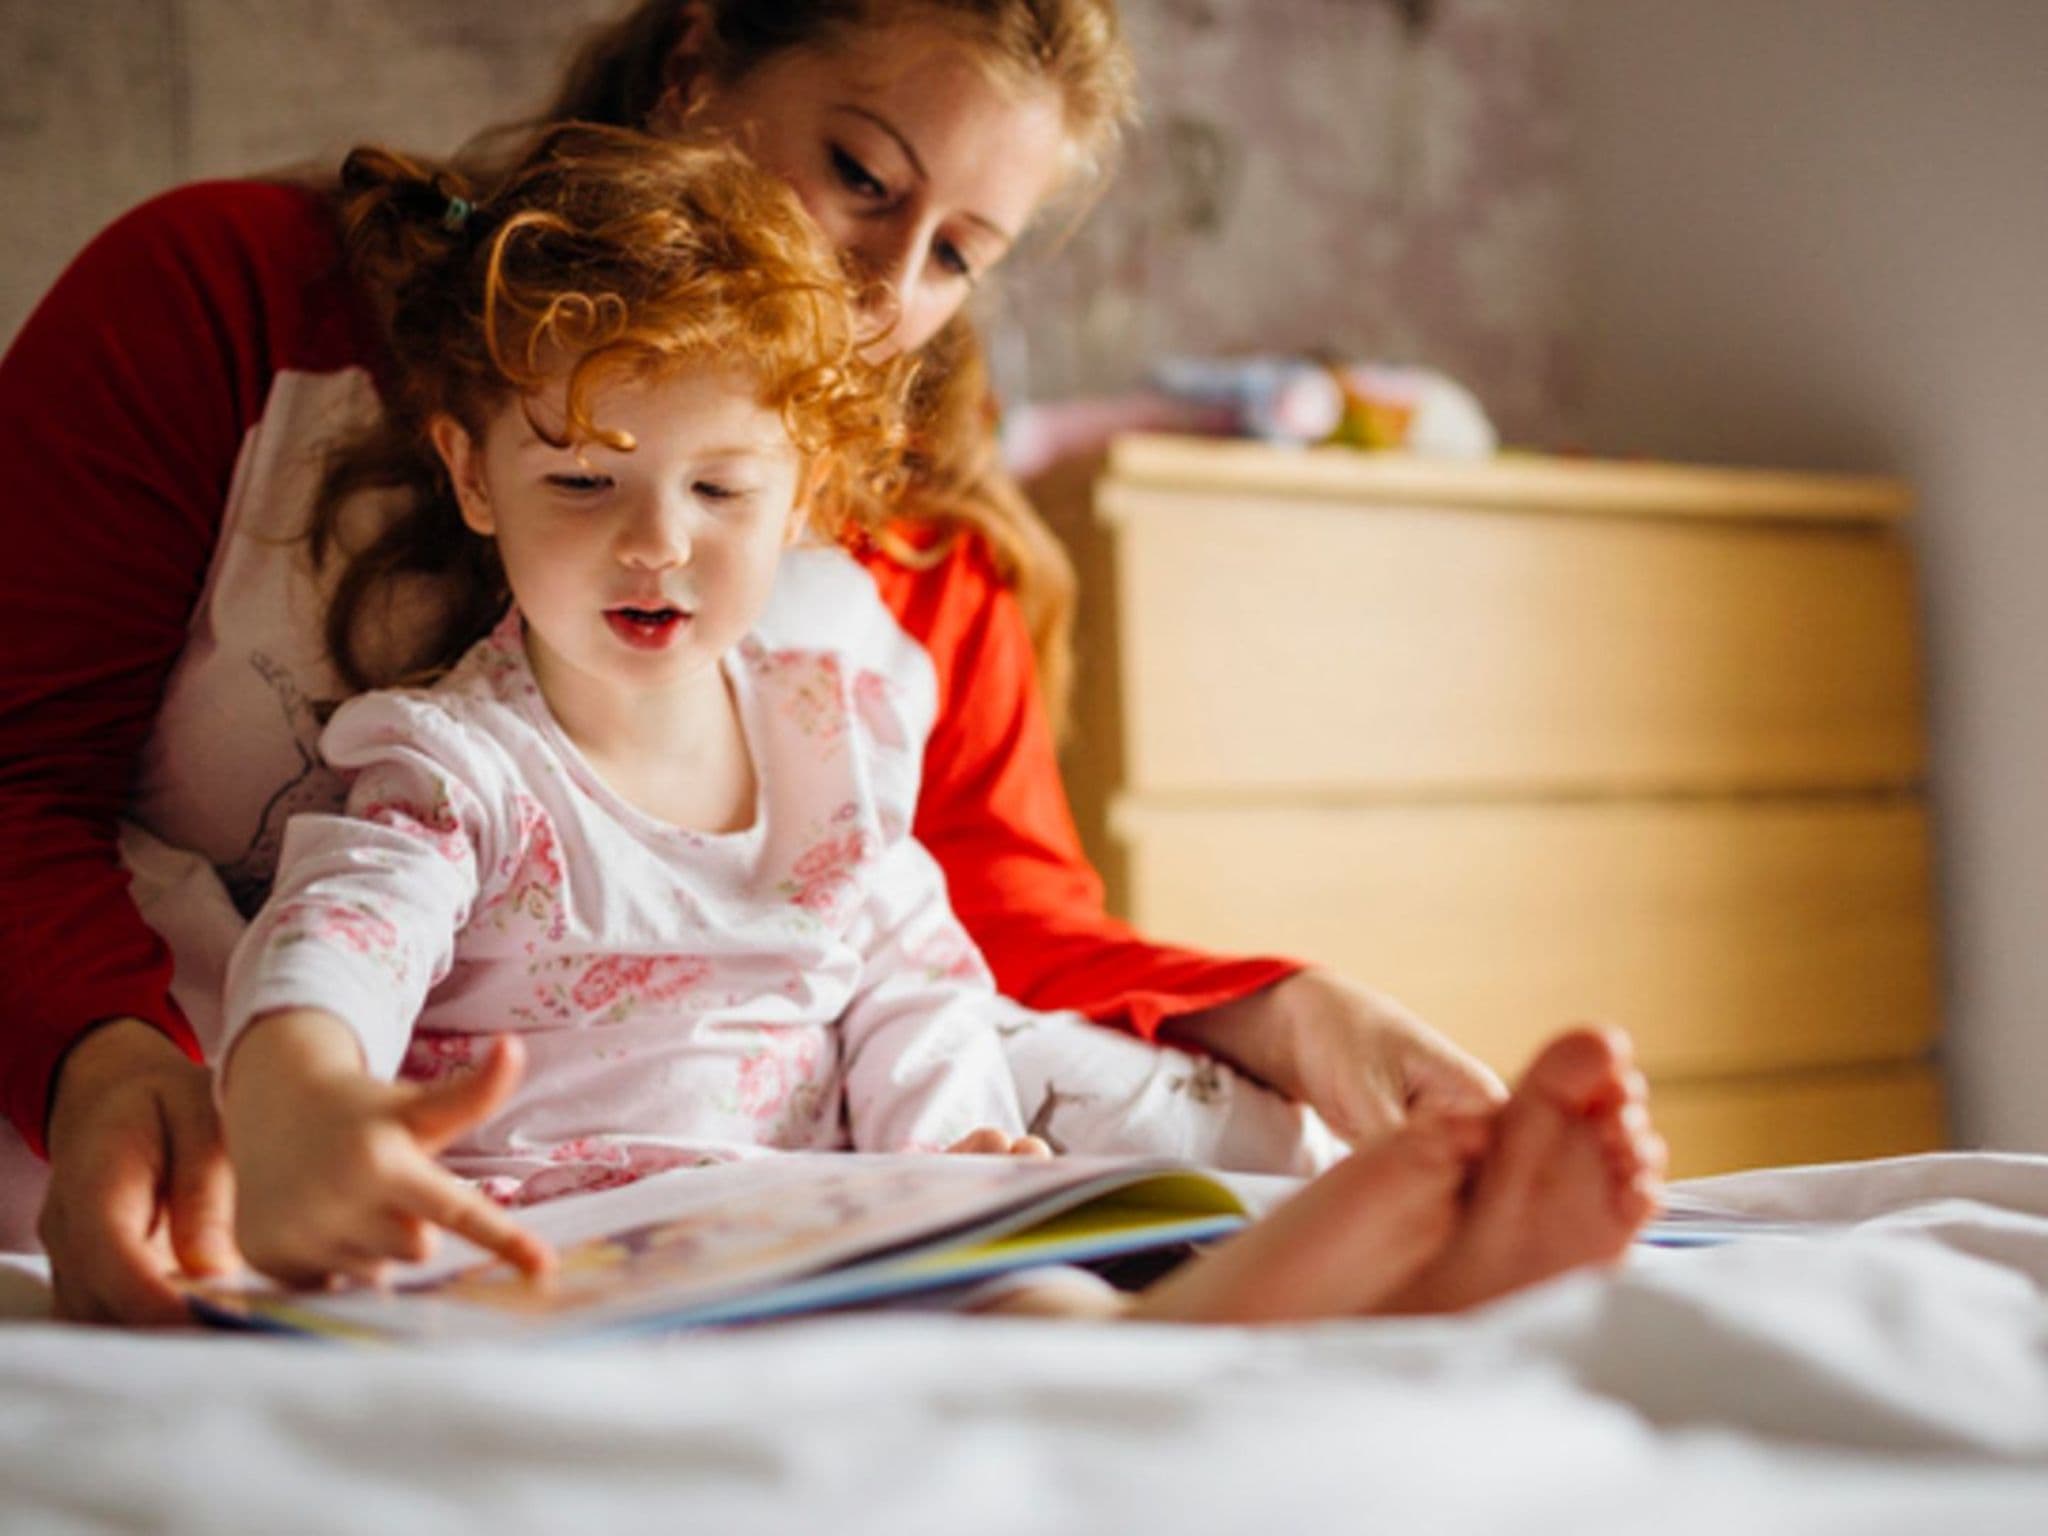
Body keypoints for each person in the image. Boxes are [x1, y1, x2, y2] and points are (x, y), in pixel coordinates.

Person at [0, 0, 1503, 1326]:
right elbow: (31, 785)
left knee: (1144, 1114)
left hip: (787, 1114)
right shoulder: (228, 308)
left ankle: (1355, 1253)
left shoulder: (884, 572)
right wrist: (121, 1068)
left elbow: (972, 914)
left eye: (959, 256)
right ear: (700, 61)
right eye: (862, 177)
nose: (884, 297)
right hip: (277, 1101)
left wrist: (1295, 1015)